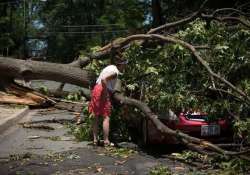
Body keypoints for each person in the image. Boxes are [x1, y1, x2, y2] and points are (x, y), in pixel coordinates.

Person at [88, 59, 127, 146]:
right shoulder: (115, 73)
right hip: (102, 90)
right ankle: (106, 140)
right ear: (121, 65)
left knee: (96, 115)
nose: (125, 67)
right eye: (125, 65)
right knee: (106, 116)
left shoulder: (110, 67)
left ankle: (95, 140)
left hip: (96, 89)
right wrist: (106, 92)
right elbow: (104, 80)